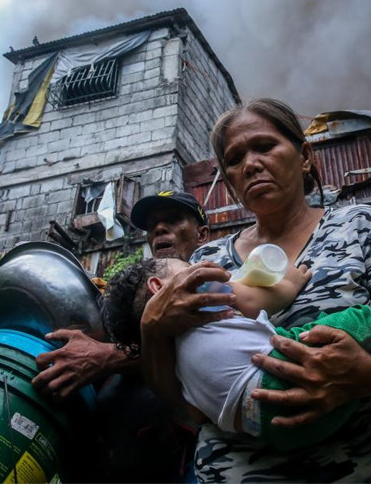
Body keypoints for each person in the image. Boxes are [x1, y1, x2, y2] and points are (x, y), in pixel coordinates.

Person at [139, 98, 371, 482]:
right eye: (234, 160)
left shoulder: (359, 227)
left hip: (368, 468)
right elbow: (185, 401)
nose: (251, 164)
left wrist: (359, 378)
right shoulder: (206, 263)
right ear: (231, 181)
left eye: (266, 146)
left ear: (304, 156)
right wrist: (151, 330)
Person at [105, 256, 371, 452]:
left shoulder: (171, 361)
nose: (197, 266)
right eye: (185, 265)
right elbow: (266, 295)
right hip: (276, 378)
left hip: (273, 429)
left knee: (338, 334)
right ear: (160, 287)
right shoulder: (203, 297)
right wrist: (292, 279)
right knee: (365, 319)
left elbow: (185, 405)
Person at [31, 190, 227, 482]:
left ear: (202, 234)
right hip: (107, 448)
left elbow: (214, 353)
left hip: (175, 452)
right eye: (152, 225)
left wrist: (109, 356)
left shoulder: (219, 285)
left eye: (173, 220)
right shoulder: (129, 288)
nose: (159, 228)